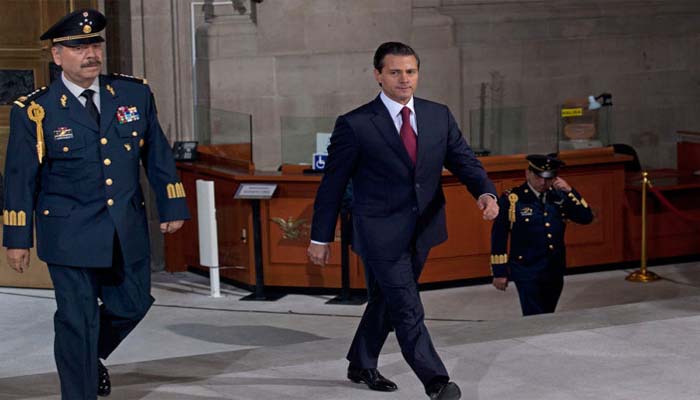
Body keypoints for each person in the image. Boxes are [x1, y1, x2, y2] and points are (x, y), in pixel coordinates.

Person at [2, 9, 189, 399]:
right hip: (68, 232)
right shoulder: (36, 110)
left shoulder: (134, 94)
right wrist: (17, 238)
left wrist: (172, 204)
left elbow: (157, 153)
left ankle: (88, 356)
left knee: (133, 303)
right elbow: (20, 178)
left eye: (94, 45)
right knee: (77, 319)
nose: (90, 54)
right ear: (57, 56)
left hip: (124, 227)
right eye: (78, 47)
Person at [307, 42, 499, 400]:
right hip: (378, 232)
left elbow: (464, 160)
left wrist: (485, 193)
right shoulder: (355, 124)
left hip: (423, 228)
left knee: (387, 299)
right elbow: (332, 185)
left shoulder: (438, 115)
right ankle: (436, 382)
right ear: (378, 75)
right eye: (395, 72)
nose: (404, 79)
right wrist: (320, 237)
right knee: (408, 305)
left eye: (410, 71)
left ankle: (361, 362)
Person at [490, 154, 593, 316]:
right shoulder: (513, 199)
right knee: (534, 315)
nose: (543, 183)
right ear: (528, 173)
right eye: (539, 177)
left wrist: (570, 191)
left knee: (548, 313)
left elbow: (586, 217)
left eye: (549, 178)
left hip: (554, 267)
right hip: (526, 268)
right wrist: (499, 272)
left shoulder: (559, 196)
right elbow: (499, 237)